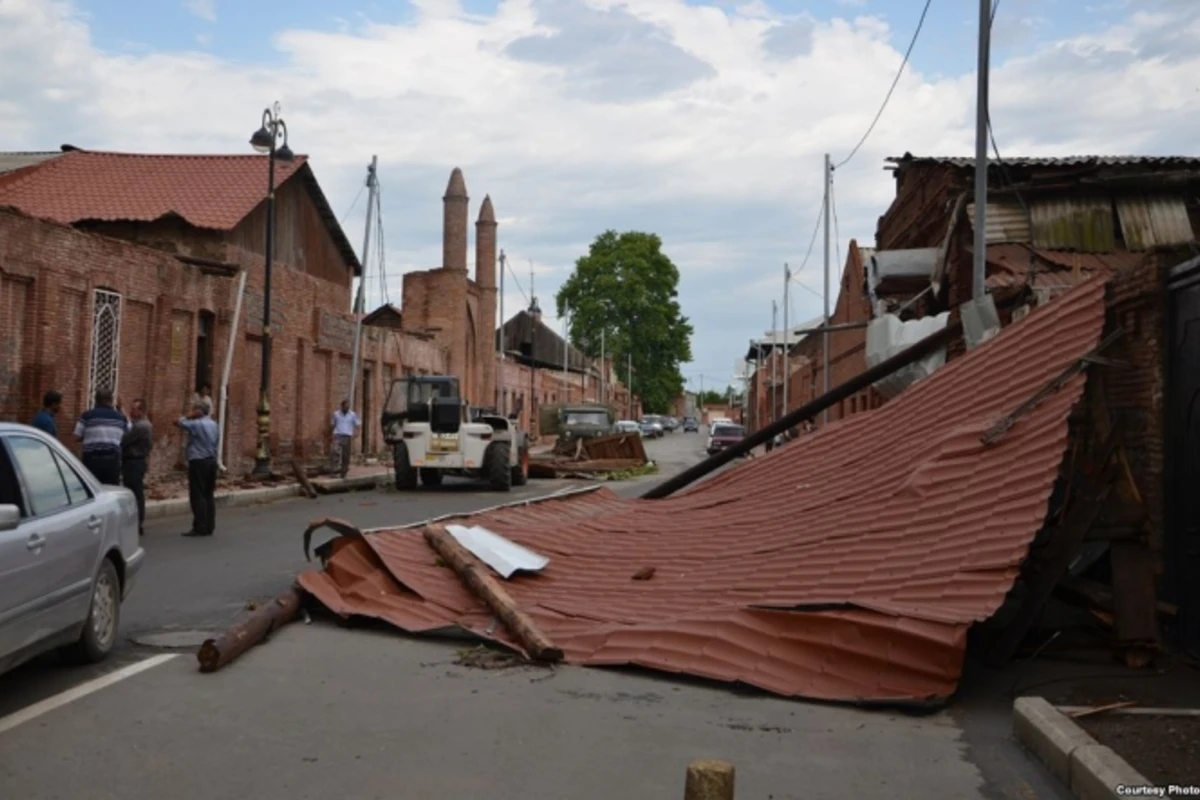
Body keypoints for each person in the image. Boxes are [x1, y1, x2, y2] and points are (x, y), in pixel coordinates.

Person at [177, 399, 219, 538]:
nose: (193, 411)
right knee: (208, 494)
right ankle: (209, 525)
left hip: (198, 461)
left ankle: (200, 525)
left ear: (199, 411)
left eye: (195, 409)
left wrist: (189, 416)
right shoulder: (214, 424)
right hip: (211, 461)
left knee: (197, 494)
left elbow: (178, 422)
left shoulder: (196, 424)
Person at [74, 388, 128, 485]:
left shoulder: (86, 416)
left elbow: (76, 436)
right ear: (111, 400)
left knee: (91, 490)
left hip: (91, 460)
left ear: (96, 400)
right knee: (111, 491)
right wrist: (121, 409)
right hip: (112, 461)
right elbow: (128, 431)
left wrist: (90, 435)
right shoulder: (120, 418)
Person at [121, 399, 153, 537]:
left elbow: (124, 440)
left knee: (135, 493)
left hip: (135, 462)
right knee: (134, 492)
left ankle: (137, 523)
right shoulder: (140, 424)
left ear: (141, 411)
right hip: (135, 461)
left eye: (134, 409)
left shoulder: (141, 426)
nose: (131, 411)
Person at [330, 399, 361, 478]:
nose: (346, 408)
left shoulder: (352, 415)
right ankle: (334, 472)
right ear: (342, 406)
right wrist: (331, 434)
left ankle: (343, 472)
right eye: (345, 407)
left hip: (347, 436)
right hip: (337, 435)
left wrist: (357, 432)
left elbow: (357, 424)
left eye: (348, 407)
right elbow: (333, 424)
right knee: (335, 453)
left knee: (345, 455)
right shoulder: (336, 414)